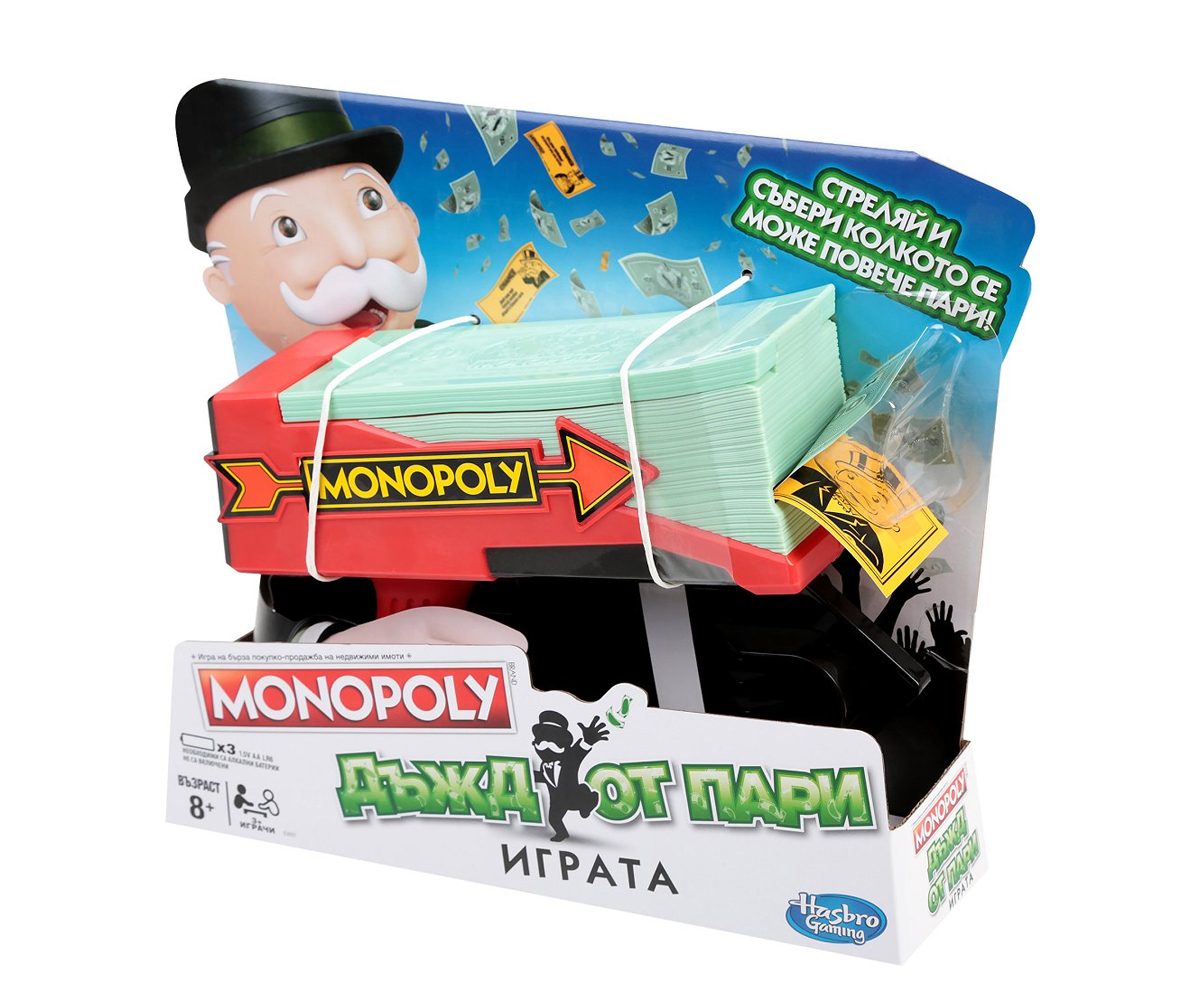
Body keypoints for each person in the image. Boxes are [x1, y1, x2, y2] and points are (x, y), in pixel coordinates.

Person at [176, 79, 427, 354]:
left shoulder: (457, 347)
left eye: (371, 202)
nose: (355, 254)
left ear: (409, 218)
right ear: (222, 283)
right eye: (288, 230)